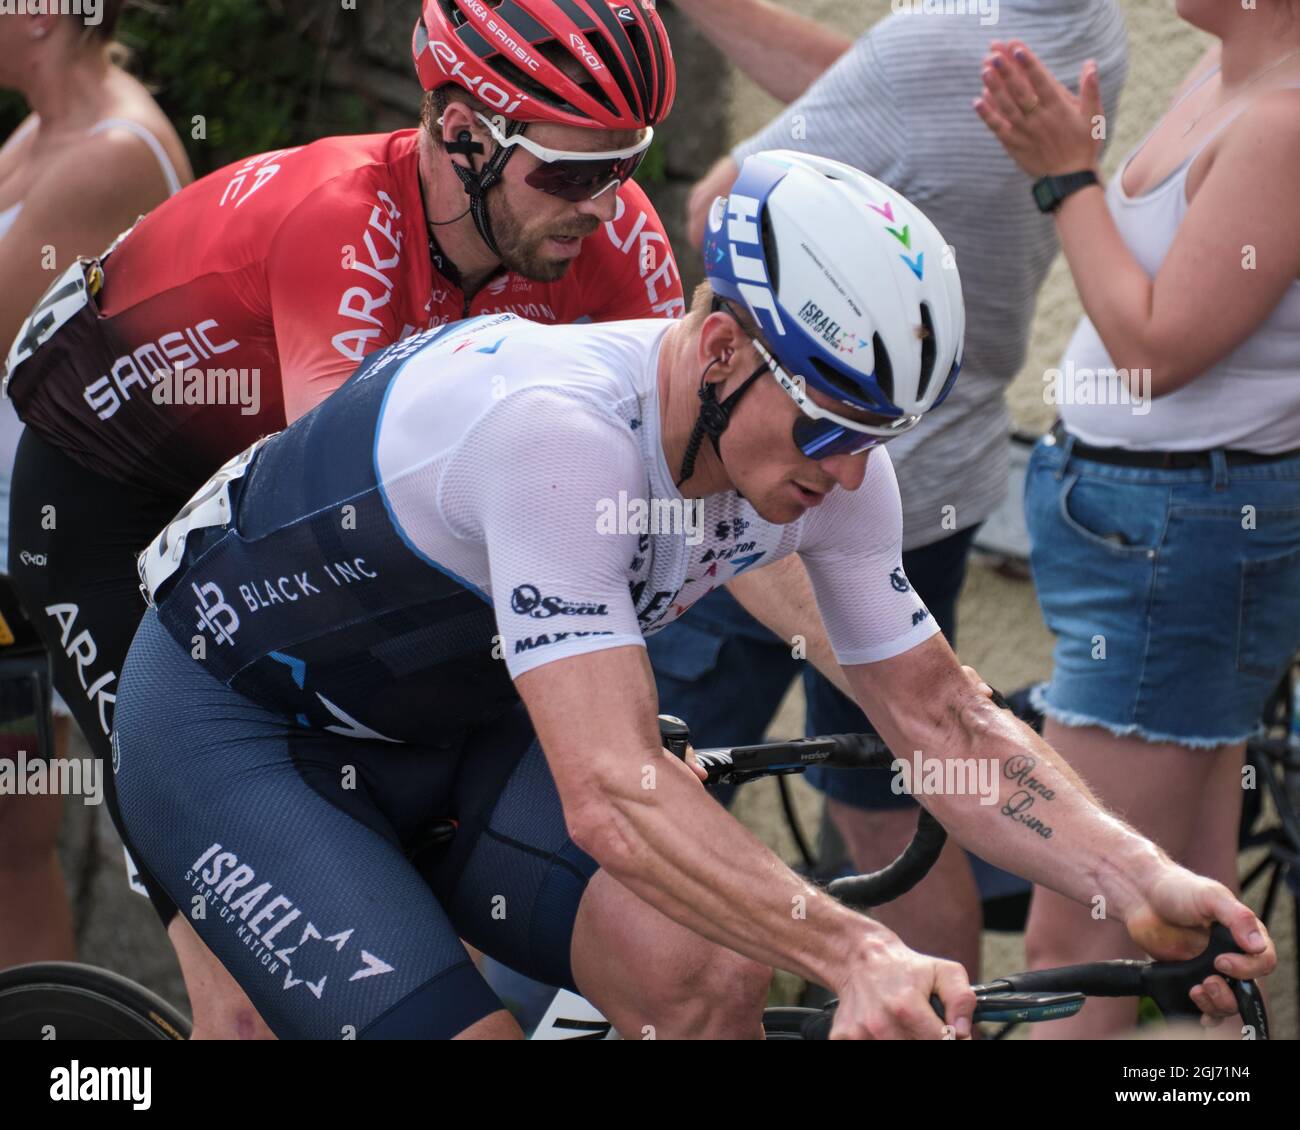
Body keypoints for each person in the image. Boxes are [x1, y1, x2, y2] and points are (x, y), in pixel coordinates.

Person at [111, 151, 1273, 1039]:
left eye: (879, 431)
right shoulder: (556, 436)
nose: (848, 466)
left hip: (449, 726)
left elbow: (944, 719)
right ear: (719, 348)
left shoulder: (827, 470)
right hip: (242, 735)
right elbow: (613, 794)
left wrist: (1141, 877)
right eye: (826, 416)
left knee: (711, 971)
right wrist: (859, 949)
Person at [4, 0, 680, 1039]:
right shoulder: (344, 224)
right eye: (568, 171)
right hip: (100, 502)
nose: (604, 203)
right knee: (252, 984)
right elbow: (348, 525)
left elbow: (677, 471)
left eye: (623, 165)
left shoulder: (604, 227)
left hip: (252, 498)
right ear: (460, 132)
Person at [654, 0, 1128, 977]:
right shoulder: (1085, 33)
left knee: (657, 784)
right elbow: (876, 92)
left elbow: (726, 206)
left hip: (796, 474)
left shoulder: (936, 44)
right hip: (938, 481)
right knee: (887, 810)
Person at [975, 0, 1300, 1036]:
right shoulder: (1227, 78)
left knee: (1079, 948)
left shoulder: (1284, 121)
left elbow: (1155, 350)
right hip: (1146, 529)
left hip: (1167, 543)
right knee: (1183, 931)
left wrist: (1066, 175)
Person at [0, 0, 190, 972]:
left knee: (13, 843)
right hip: (21, 538)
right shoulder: (42, 131)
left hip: (39, 552)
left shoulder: (110, 153)